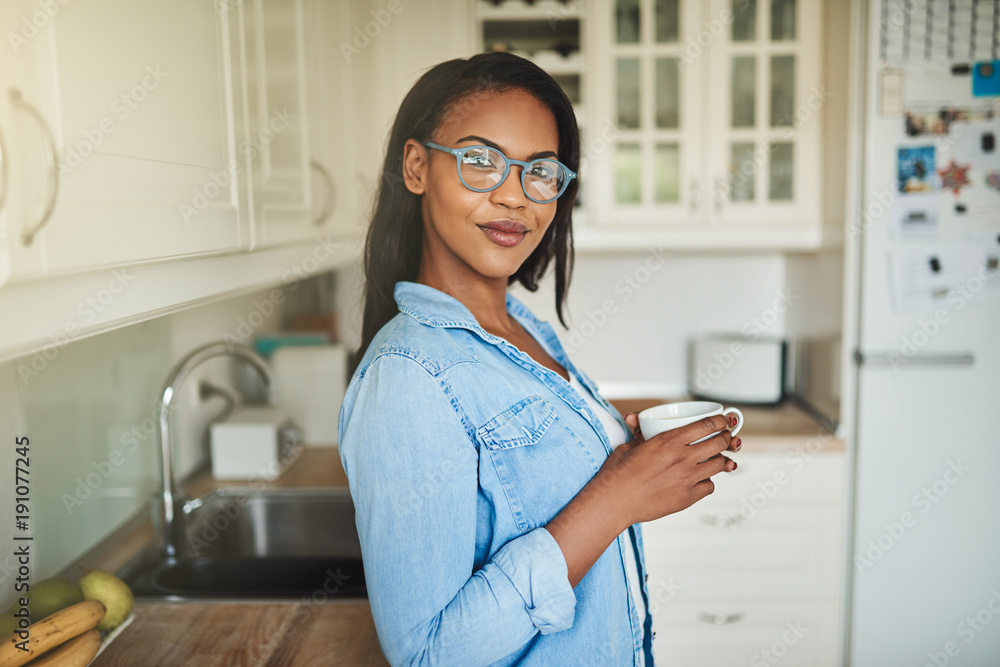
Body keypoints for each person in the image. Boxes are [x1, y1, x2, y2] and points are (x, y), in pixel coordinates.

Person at [338, 51, 740, 667]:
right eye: (480, 162)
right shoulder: (408, 376)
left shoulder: (522, 328)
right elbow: (428, 655)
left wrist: (629, 462)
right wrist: (616, 497)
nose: (516, 197)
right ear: (417, 167)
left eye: (542, 172)